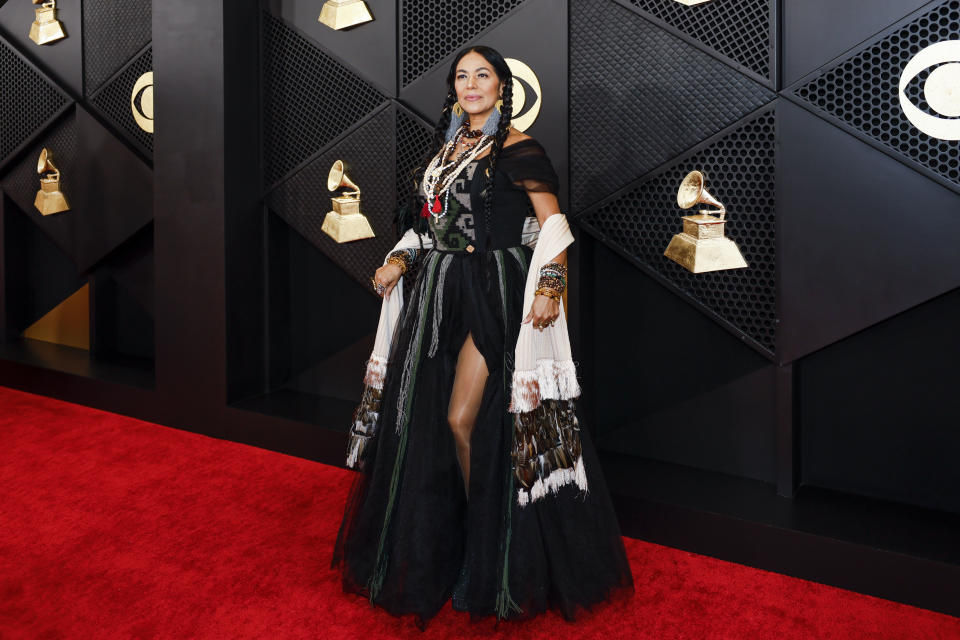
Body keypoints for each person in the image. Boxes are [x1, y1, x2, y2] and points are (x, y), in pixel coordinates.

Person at [331, 45, 634, 629]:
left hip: (495, 292)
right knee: (426, 419)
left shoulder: (518, 148)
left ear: (502, 86)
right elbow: (429, 224)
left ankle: (490, 544)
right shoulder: (447, 148)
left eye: (483, 76)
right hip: (440, 290)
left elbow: (554, 227)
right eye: (462, 77)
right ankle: (461, 537)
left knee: (459, 418)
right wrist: (398, 258)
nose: (472, 86)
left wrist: (551, 285)